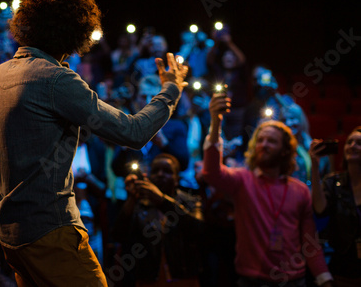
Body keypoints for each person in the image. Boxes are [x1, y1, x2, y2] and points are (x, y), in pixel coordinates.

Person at [0, 0, 188, 287]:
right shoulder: (57, 79)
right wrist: (170, 90)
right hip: (52, 230)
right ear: (72, 31)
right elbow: (133, 132)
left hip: (11, 234)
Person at [202, 93, 333, 287]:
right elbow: (211, 173)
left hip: (293, 280)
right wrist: (215, 121)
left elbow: (309, 241)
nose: (264, 145)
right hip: (252, 281)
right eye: (260, 140)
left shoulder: (300, 191)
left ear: (284, 150)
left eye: (271, 141)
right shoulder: (243, 180)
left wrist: (324, 279)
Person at [112, 153, 204, 286]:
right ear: (149, 176)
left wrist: (162, 201)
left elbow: (198, 229)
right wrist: (131, 199)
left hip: (184, 279)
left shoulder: (190, 201)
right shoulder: (141, 204)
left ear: (177, 178)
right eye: (155, 171)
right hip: (149, 281)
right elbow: (118, 235)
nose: (160, 174)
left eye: (167, 171)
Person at [310, 126, 361, 286]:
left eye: (359, 143)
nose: (352, 145)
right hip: (341, 267)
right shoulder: (333, 182)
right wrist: (315, 166)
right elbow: (319, 209)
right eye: (349, 142)